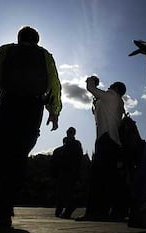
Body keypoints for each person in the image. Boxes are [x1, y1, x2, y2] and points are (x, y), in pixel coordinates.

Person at [0, 25, 62, 231]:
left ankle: (1, 210)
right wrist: (54, 112)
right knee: (17, 159)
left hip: (8, 106)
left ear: (18, 38)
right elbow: (54, 85)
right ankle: (4, 211)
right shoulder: (45, 56)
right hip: (32, 110)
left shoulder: (5, 51)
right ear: (37, 40)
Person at [77, 76, 127, 221]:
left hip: (106, 140)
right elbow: (99, 111)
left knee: (98, 178)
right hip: (113, 143)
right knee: (111, 179)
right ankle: (116, 211)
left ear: (115, 88)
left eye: (111, 85)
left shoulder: (111, 96)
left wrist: (91, 80)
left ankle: (95, 212)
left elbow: (91, 89)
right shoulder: (118, 102)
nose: (108, 87)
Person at [53, 127, 83, 219]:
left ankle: (65, 212)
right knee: (62, 192)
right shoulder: (61, 149)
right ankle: (60, 211)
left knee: (68, 193)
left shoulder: (75, 144)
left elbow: (79, 159)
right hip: (65, 172)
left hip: (70, 172)